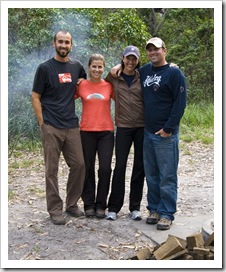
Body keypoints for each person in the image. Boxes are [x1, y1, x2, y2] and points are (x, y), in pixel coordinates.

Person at [31, 30, 86, 225]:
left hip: (71, 125)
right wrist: (42, 123)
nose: (63, 45)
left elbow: (86, 83)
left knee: (79, 165)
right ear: (54, 44)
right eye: (60, 42)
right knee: (51, 169)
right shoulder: (45, 68)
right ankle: (55, 209)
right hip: (51, 125)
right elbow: (35, 96)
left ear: (72, 45)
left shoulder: (77, 67)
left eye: (67, 42)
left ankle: (72, 204)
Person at [140, 37, 187, 230]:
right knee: (151, 175)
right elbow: (127, 68)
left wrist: (168, 128)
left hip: (165, 135)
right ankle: (154, 209)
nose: (152, 53)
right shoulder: (143, 71)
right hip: (148, 132)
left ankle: (167, 213)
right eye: (149, 50)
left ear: (164, 50)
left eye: (156, 49)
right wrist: (116, 67)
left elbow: (180, 103)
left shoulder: (175, 74)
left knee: (167, 175)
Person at [105, 46, 145, 221]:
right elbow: (97, 79)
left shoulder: (143, 75)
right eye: (127, 58)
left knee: (139, 167)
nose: (130, 62)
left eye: (134, 59)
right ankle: (113, 207)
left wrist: (173, 65)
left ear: (137, 60)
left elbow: (163, 70)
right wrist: (114, 67)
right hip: (123, 127)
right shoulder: (114, 77)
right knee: (120, 166)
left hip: (142, 127)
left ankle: (135, 207)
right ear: (122, 58)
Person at [75, 54, 114, 219]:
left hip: (106, 132)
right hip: (86, 131)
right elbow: (64, 97)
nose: (97, 70)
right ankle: (89, 204)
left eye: (100, 67)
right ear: (89, 67)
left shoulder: (109, 86)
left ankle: (101, 205)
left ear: (103, 68)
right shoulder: (81, 85)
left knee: (105, 169)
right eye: (94, 66)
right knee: (88, 168)